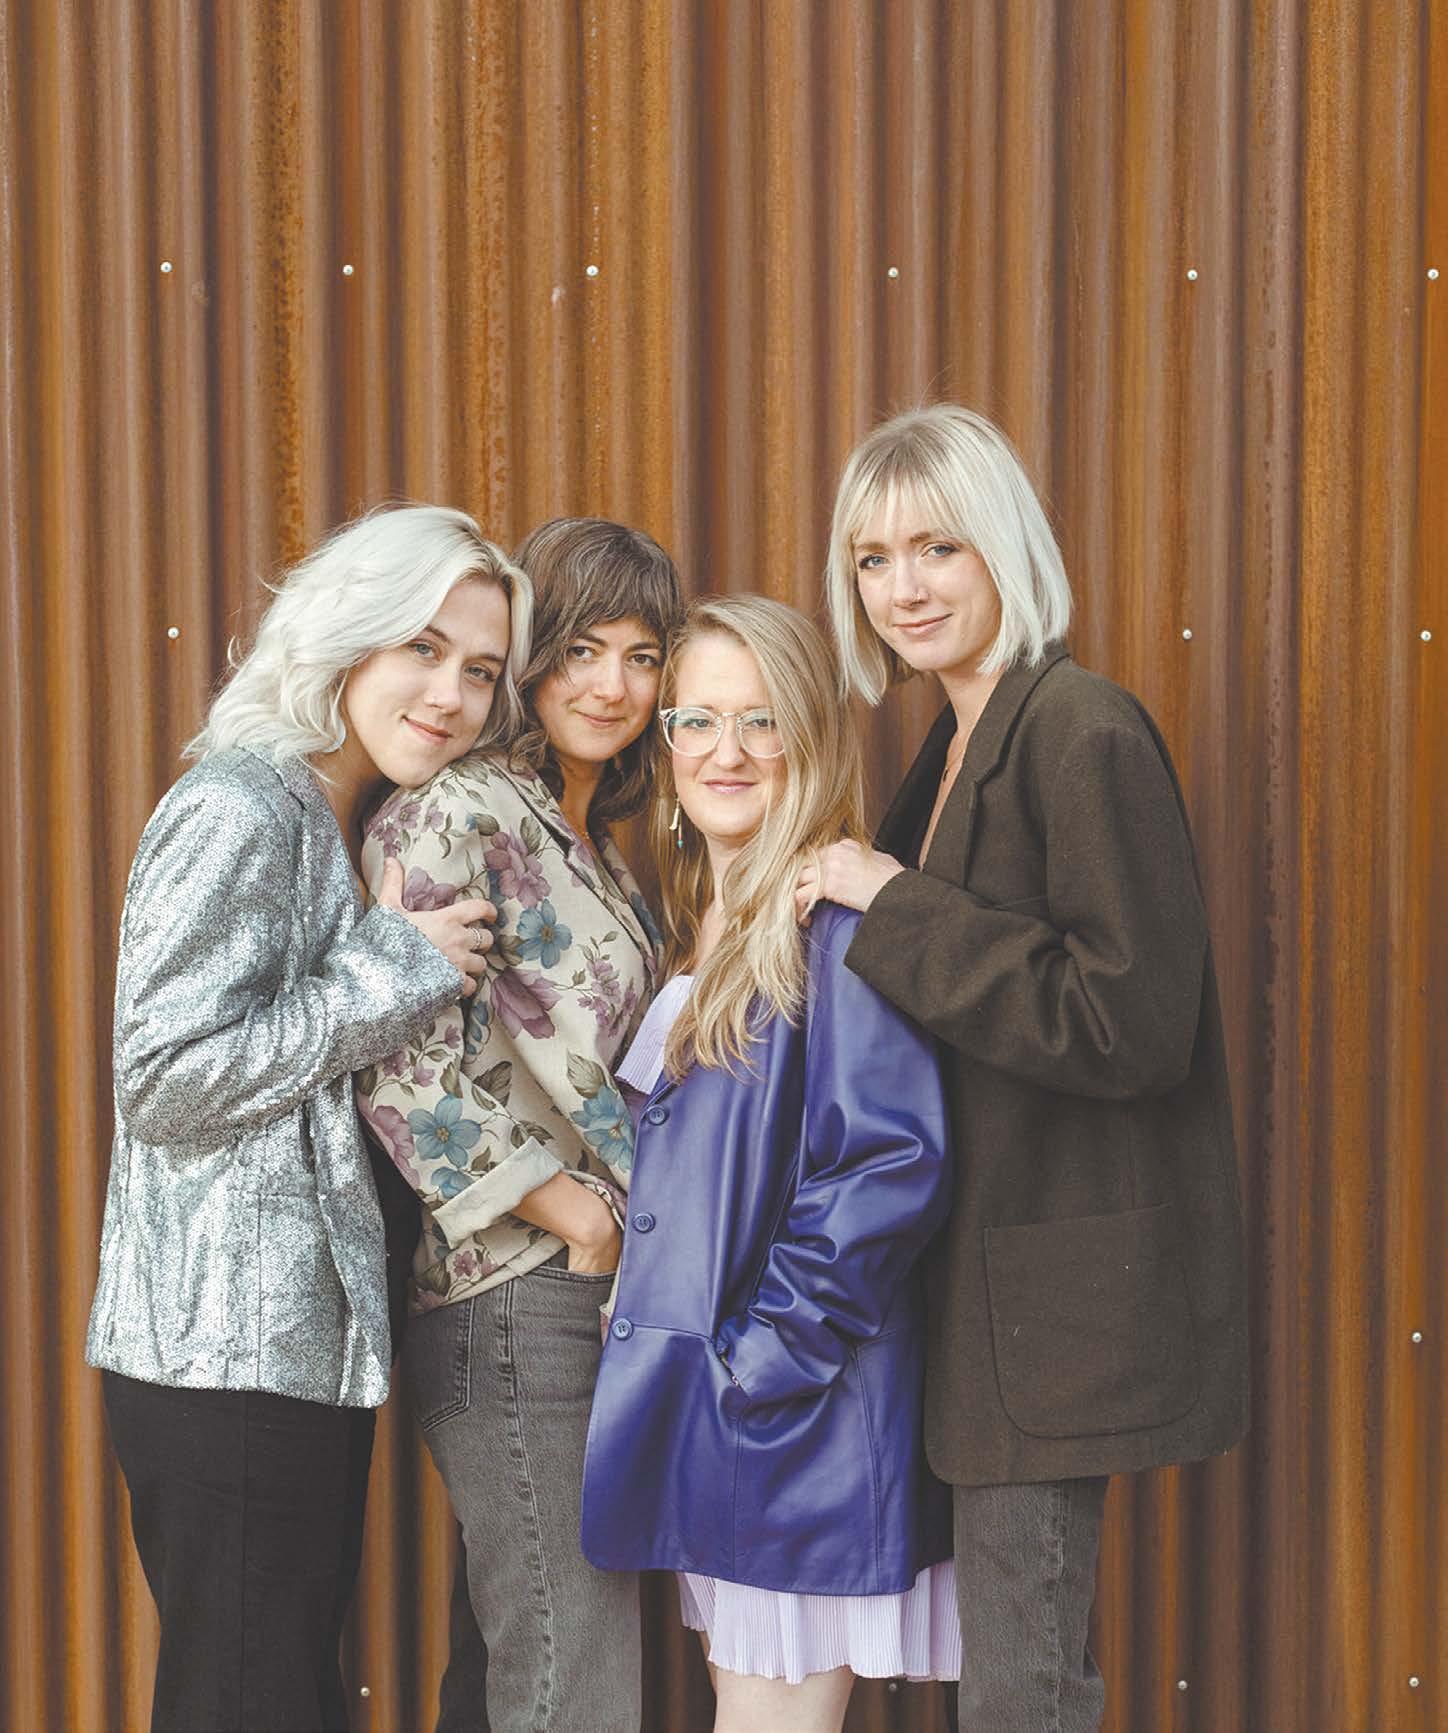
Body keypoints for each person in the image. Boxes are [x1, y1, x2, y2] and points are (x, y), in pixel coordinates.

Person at [794, 404, 1250, 1732]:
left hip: (1047, 1311)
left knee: (1021, 1687)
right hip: (969, 1293)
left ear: (1004, 545)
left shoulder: (1081, 730)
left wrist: (895, 904)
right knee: (1000, 1672)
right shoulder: (947, 747)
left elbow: (1129, 1020)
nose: (904, 587)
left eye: (937, 546)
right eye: (873, 558)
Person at [85, 504, 533, 1733]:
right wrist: (392, 967)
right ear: (347, 632)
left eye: (479, 669)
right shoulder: (239, 803)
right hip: (221, 1357)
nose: (450, 693)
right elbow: (165, 1077)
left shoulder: (334, 816)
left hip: (289, 1355)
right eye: (422, 648)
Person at [581, 595, 959, 1733]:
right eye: (696, 721)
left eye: (761, 721)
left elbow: (885, 1167)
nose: (725, 751)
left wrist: (756, 1363)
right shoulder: (702, 921)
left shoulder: (836, 923)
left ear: (811, 737)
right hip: (724, 1424)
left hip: (793, 1428)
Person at [357, 517, 684, 1733]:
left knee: (530, 1662)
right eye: (581, 648)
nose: (610, 685)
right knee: (571, 1673)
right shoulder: (455, 811)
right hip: (511, 1287)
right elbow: (397, 1062)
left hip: (577, 1288)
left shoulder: (589, 840)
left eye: (641, 656)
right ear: (534, 657)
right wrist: (575, 1217)